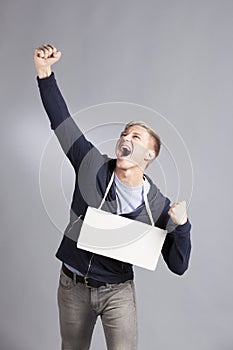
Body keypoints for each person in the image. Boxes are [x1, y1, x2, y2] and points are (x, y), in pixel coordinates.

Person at [34, 44, 192, 350]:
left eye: (136, 137)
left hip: (117, 291)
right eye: (124, 133)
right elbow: (62, 123)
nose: (125, 138)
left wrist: (182, 227)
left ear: (150, 154)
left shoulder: (160, 207)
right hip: (73, 285)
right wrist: (44, 72)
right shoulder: (91, 166)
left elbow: (178, 265)